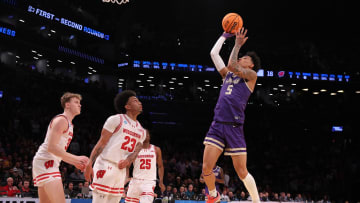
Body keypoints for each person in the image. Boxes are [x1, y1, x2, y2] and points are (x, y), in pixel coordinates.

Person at [202, 27, 261, 203]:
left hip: (235, 127)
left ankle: (257, 201)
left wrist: (236, 45)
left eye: (245, 58)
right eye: (241, 56)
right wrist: (223, 36)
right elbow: (214, 53)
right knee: (206, 168)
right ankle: (213, 195)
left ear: (250, 65)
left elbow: (232, 65)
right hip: (218, 124)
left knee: (242, 171)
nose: (241, 58)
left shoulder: (251, 76)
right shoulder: (227, 76)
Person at [84, 90, 146, 203]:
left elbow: (136, 152)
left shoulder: (142, 130)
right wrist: (89, 163)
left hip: (120, 170)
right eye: (135, 101)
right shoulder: (116, 119)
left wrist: (128, 160)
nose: (140, 102)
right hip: (106, 164)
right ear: (127, 106)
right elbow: (101, 143)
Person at [32, 92, 89, 203]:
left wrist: (74, 162)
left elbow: (59, 152)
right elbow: (51, 148)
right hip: (46, 161)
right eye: (76, 102)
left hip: (46, 161)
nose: (80, 105)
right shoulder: (62, 120)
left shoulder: (69, 124)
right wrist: (76, 158)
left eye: (80, 103)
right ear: (67, 105)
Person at [125, 129, 165, 203]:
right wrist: (126, 177)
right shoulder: (134, 149)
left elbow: (160, 166)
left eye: (147, 134)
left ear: (150, 136)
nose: (146, 135)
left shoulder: (156, 149)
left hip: (149, 182)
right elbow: (127, 165)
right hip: (135, 181)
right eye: (143, 134)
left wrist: (161, 182)